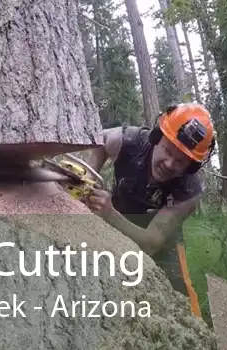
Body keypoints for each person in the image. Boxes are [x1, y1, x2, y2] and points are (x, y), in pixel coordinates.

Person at [81, 103, 216, 318]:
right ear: (156, 137)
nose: (170, 163)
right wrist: (87, 179)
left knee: (182, 298)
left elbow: (152, 243)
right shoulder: (131, 140)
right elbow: (101, 141)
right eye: (168, 151)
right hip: (119, 218)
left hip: (162, 241)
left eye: (180, 161)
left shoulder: (188, 193)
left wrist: (109, 214)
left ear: (191, 166)